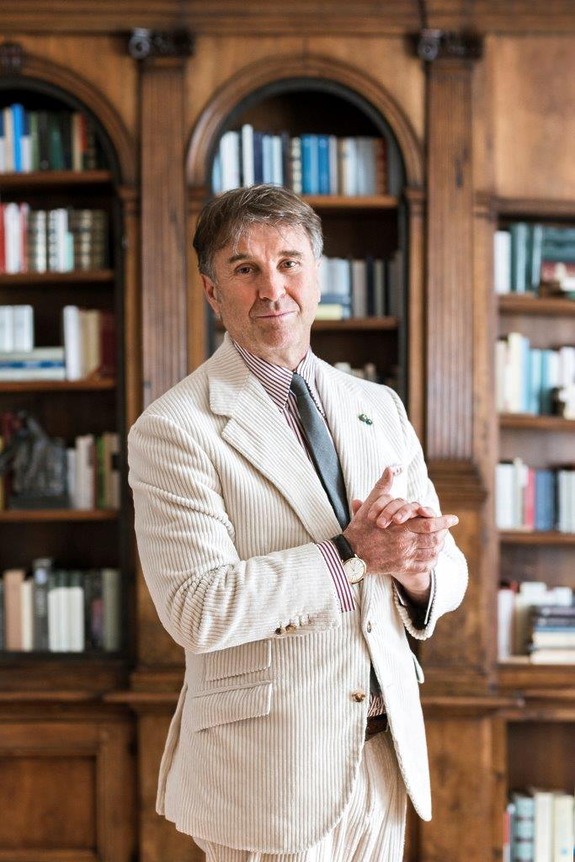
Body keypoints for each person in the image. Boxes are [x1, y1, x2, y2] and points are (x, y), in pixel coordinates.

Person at [128, 184, 468, 862]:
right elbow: (198, 609)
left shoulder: (379, 406)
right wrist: (353, 550)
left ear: (318, 277)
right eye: (244, 268)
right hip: (269, 771)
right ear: (211, 290)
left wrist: (416, 567)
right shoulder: (174, 429)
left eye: (288, 262)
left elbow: (447, 572)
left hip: (382, 757)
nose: (270, 287)